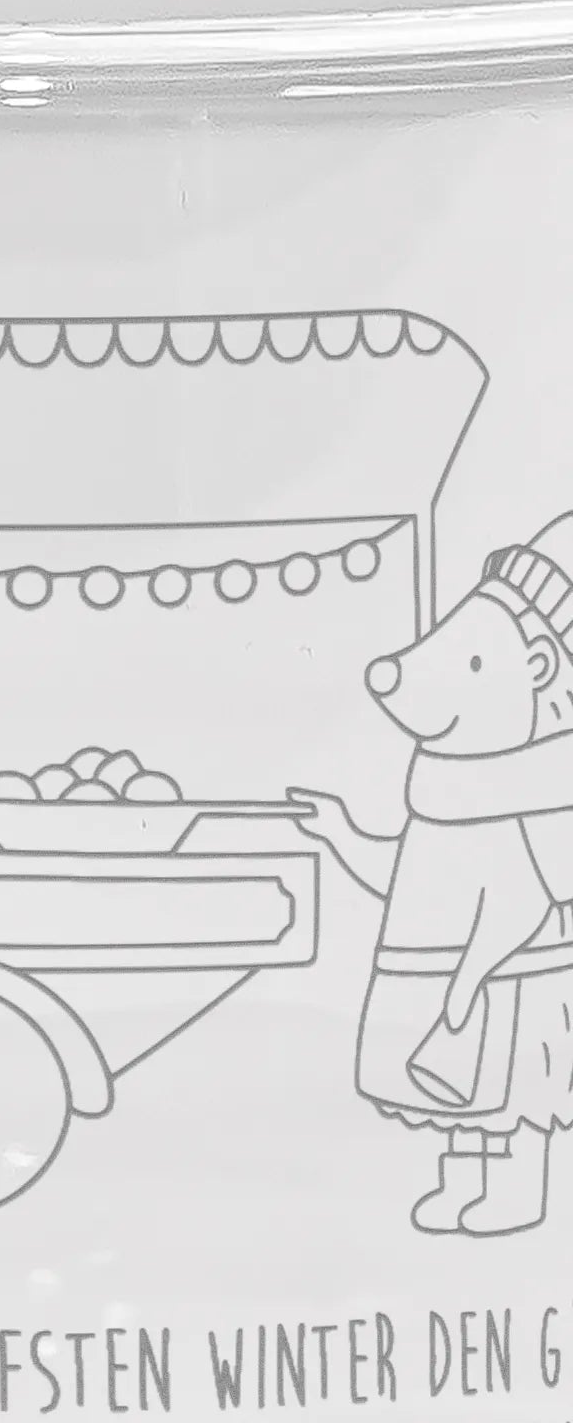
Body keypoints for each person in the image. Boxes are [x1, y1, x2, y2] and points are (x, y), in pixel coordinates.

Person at [292, 512, 573, 1235]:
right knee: (455, 1098)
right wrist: (343, 833)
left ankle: (516, 1192)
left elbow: (536, 897)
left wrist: (475, 973)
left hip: (510, 981)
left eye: (470, 662)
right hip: (440, 975)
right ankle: (463, 1183)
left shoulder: (539, 793)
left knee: (509, 1093)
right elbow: (406, 878)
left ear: (539, 669)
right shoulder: (442, 797)